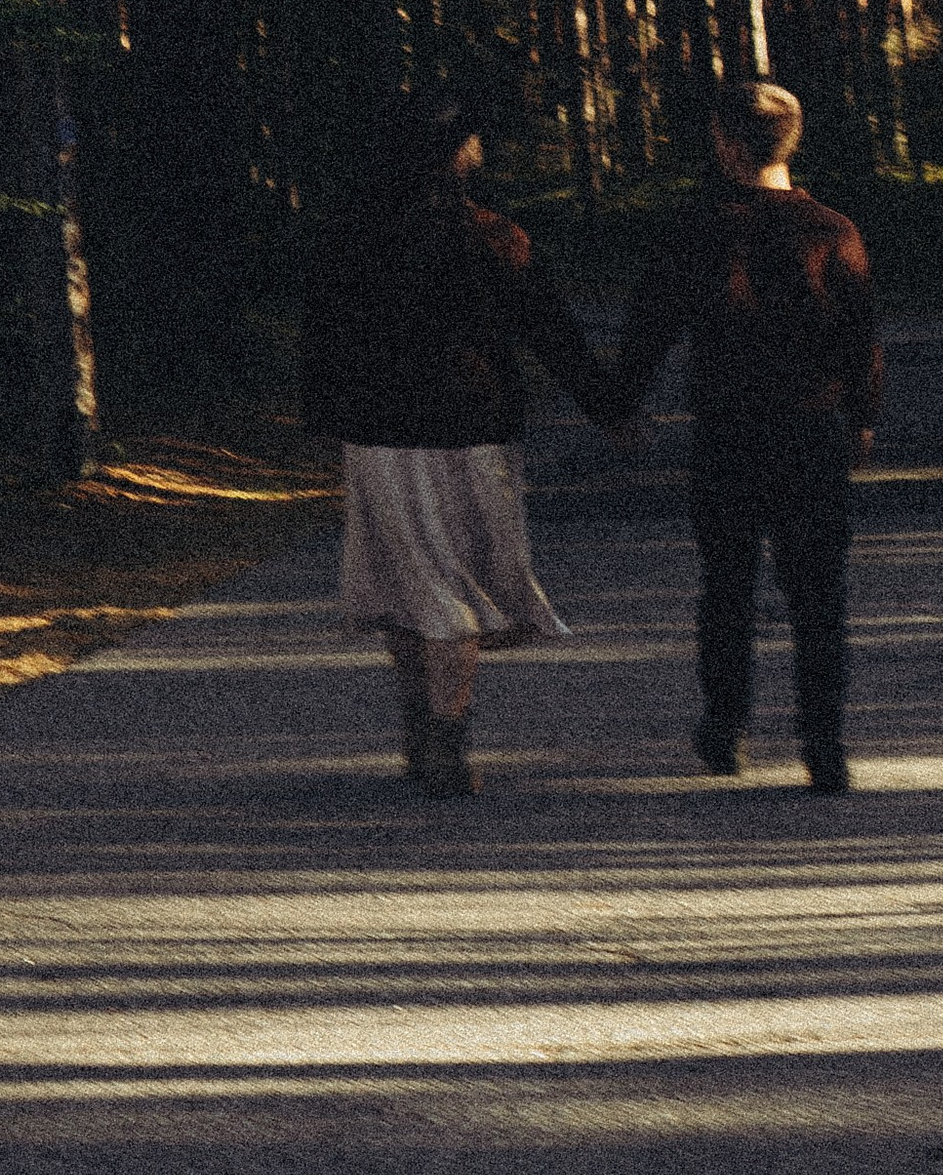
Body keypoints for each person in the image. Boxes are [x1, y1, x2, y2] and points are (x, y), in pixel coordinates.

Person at [299, 96, 614, 798]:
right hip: (472, 433)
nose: (481, 151)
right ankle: (446, 734)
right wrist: (607, 405)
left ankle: (422, 728)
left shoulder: (348, 237)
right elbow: (549, 331)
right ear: (452, 154)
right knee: (456, 587)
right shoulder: (494, 237)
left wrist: (320, 419)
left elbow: (322, 336)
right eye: (472, 141)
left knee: (409, 581)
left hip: (380, 434)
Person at [606, 78, 882, 794]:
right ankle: (824, 743)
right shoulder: (831, 229)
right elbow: (860, 335)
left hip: (727, 434)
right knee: (818, 592)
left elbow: (650, 327)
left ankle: (725, 728)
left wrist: (620, 404)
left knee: (726, 584)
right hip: (810, 431)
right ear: (792, 141)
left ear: (725, 142)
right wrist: (862, 416)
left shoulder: (695, 229)